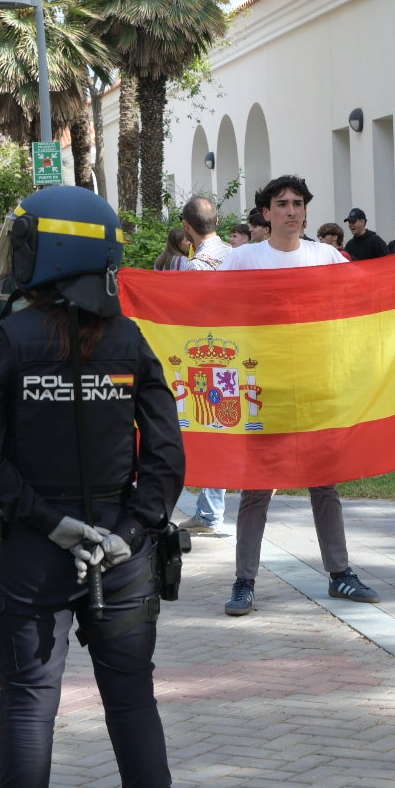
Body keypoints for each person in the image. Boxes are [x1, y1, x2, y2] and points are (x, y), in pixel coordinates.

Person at [0, 185, 186, 788]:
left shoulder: (12, 342)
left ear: (44, 253)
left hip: (35, 555)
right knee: (132, 704)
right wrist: (126, 534)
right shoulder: (129, 340)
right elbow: (168, 458)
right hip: (122, 563)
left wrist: (52, 523)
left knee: (29, 706)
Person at [219, 176, 384, 616]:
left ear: (306, 211)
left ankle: (340, 574)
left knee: (324, 484)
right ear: (266, 212)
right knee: (255, 487)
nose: (291, 210)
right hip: (261, 391)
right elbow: (209, 306)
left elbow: (370, 289)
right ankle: (243, 581)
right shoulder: (243, 259)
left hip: (315, 388)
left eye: (297, 204)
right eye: (281, 204)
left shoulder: (325, 256)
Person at [176, 195, 232, 536]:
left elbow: (193, 313)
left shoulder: (198, 265)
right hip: (235, 350)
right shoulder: (235, 255)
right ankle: (210, 510)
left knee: (213, 428)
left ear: (187, 226)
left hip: (209, 355)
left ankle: (210, 513)